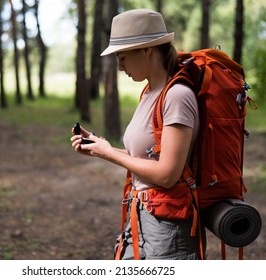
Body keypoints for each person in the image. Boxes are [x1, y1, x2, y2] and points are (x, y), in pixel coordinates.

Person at [71, 8, 203, 260]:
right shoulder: (149, 93)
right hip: (141, 214)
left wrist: (109, 154)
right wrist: (100, 147)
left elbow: (167, 174)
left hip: (168, 227)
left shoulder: (177, 96)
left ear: (147, 50)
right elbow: (147, 157)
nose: (120, 67)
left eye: (123, 57)